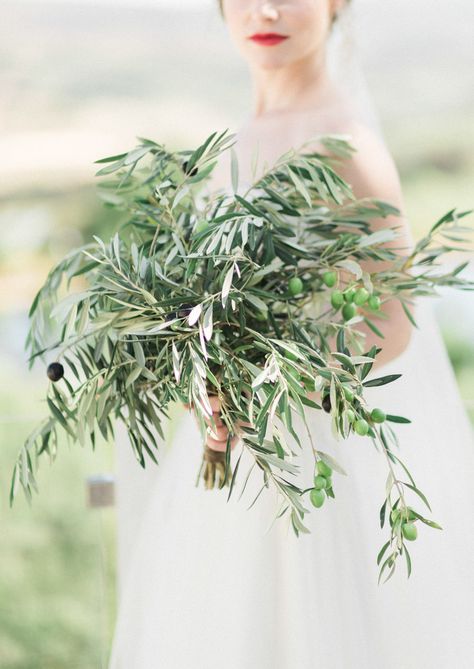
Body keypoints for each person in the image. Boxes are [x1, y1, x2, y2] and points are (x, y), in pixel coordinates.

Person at [109, 2, 474, 668]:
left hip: (307, 457)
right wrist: (205, 379)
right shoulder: (237, 136)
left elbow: (393, 323)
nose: (266, 10)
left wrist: (273, 378)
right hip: (230, 462)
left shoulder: (347, 141)